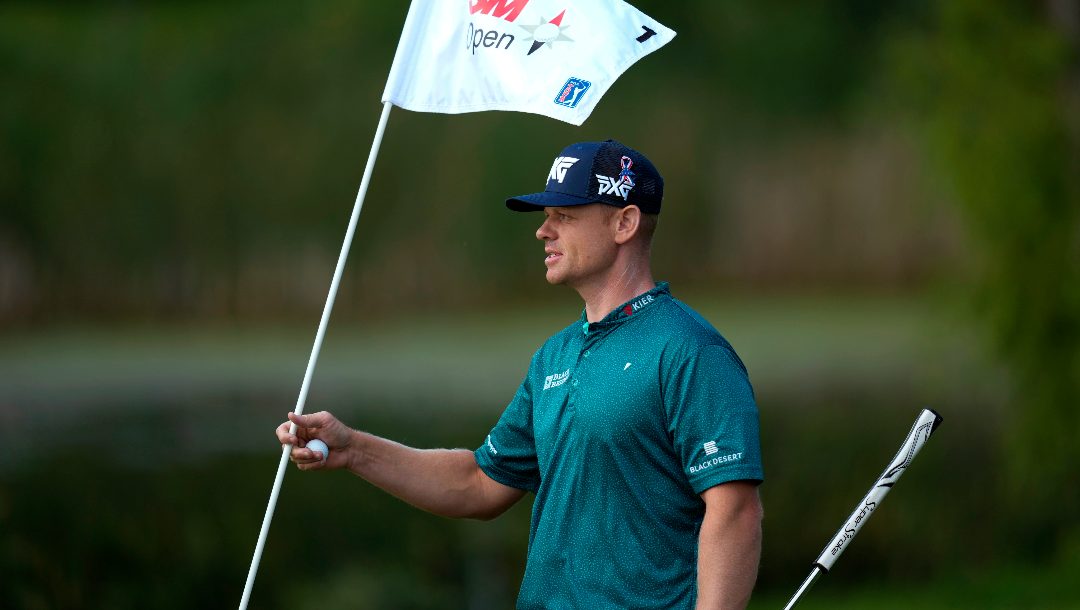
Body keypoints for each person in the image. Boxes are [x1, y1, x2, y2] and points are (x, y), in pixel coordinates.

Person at [276, 139, 764, 609]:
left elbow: (734, 510)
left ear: (625, 222)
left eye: (564, 217)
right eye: (546, 217)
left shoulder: (689, 350)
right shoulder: (555, 356)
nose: (543, 231)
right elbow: (478, 483)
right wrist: (354, 449)